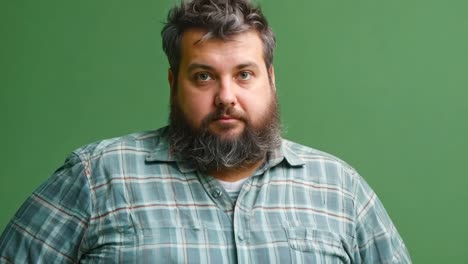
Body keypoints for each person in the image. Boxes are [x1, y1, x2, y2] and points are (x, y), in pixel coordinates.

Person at [0, 0, 411, 263]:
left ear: (270, 78)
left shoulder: (340, 190)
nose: (226, 96)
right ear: (173, 81)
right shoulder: (97, 177)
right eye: (203, 76)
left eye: (244, 74)